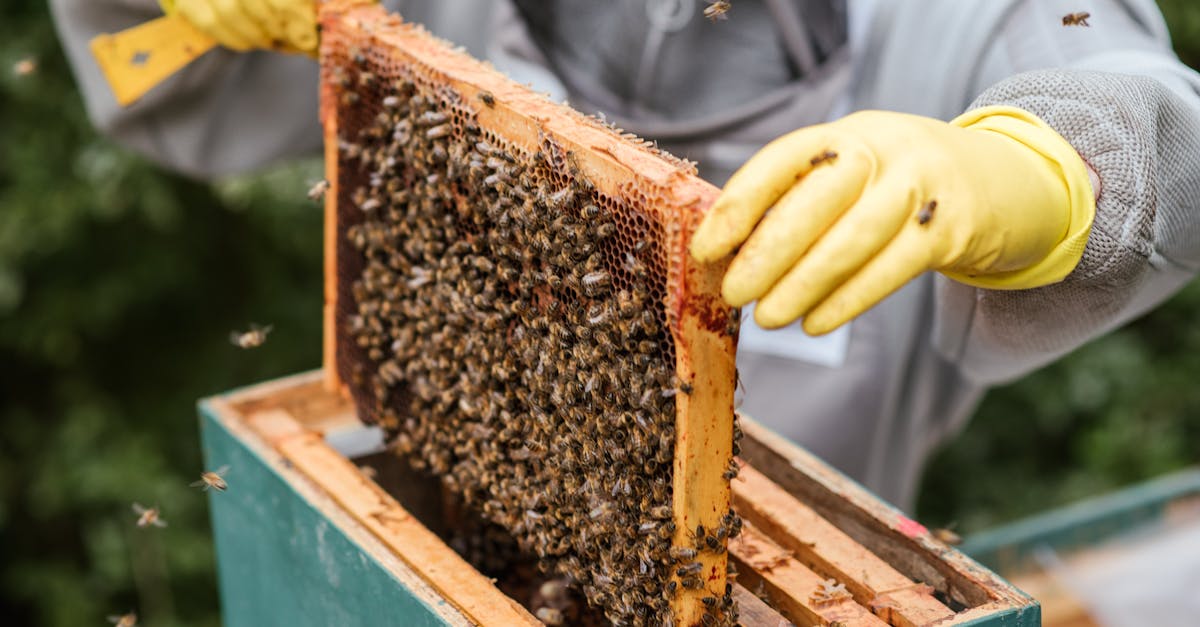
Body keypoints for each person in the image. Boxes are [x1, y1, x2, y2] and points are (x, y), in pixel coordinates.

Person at [50, 0, 1200, 509]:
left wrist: (1042, 172)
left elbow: (1162, 122)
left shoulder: (974, 18)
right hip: (433, 536)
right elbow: (159, 75)